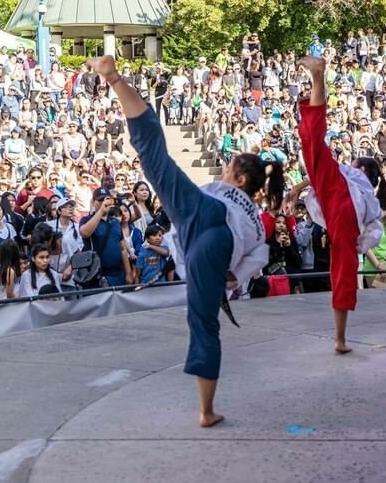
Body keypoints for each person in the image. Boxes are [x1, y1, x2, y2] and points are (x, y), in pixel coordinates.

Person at [92, 55, 276, 428]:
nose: (224, 170)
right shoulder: (256, 221)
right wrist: (234, 276)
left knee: (154, 158)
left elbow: (252, 254)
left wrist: (231, 274)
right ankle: (206, 411)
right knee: (204, 323)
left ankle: (113, 79)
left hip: (202, 219)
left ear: (240, 179)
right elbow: (260, 255)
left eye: (228, 168)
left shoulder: (230, 200)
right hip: (213, 236)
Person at [294, 56, 385, 354]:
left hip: (340, 208)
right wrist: (362, 242)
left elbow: (372, 225)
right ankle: (340, 339)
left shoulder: (352, 180)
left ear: (360, 169)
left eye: (354, 162)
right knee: (310, 137)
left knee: (311, 137)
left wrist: (297, 187)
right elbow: (374, 225)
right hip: (341, 213)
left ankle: (318, 78)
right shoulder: (362, 190)